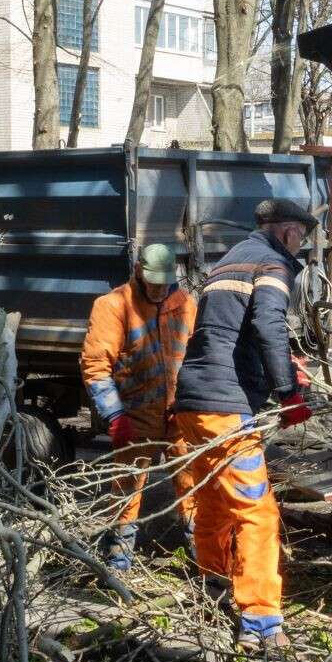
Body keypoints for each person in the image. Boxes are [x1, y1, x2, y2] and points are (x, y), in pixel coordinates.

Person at [169, 197, 317, 649]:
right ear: (289, 232)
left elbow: (232, 331)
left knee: (215, 503)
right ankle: (260, 622)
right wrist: (290, 392)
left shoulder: (230, 260)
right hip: (224, 406)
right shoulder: (274, 265)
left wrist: (281, 368)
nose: (302, 246)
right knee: (257, 510)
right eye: (303, 237)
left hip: (192, 401)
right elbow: (270, 325)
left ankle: (213, 588)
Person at [79, 243, 197, 572]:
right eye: (153, 282)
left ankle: (205, 563)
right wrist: (115, 416)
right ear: (138, 273)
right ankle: (117, 565)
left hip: (179, 417)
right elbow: (95, 367)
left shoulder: (185, 304)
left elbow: (199, 355)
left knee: (193, 486)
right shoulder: (112, 306)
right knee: (127, 491)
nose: (159, 289)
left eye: (165, 282)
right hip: (136, 417)